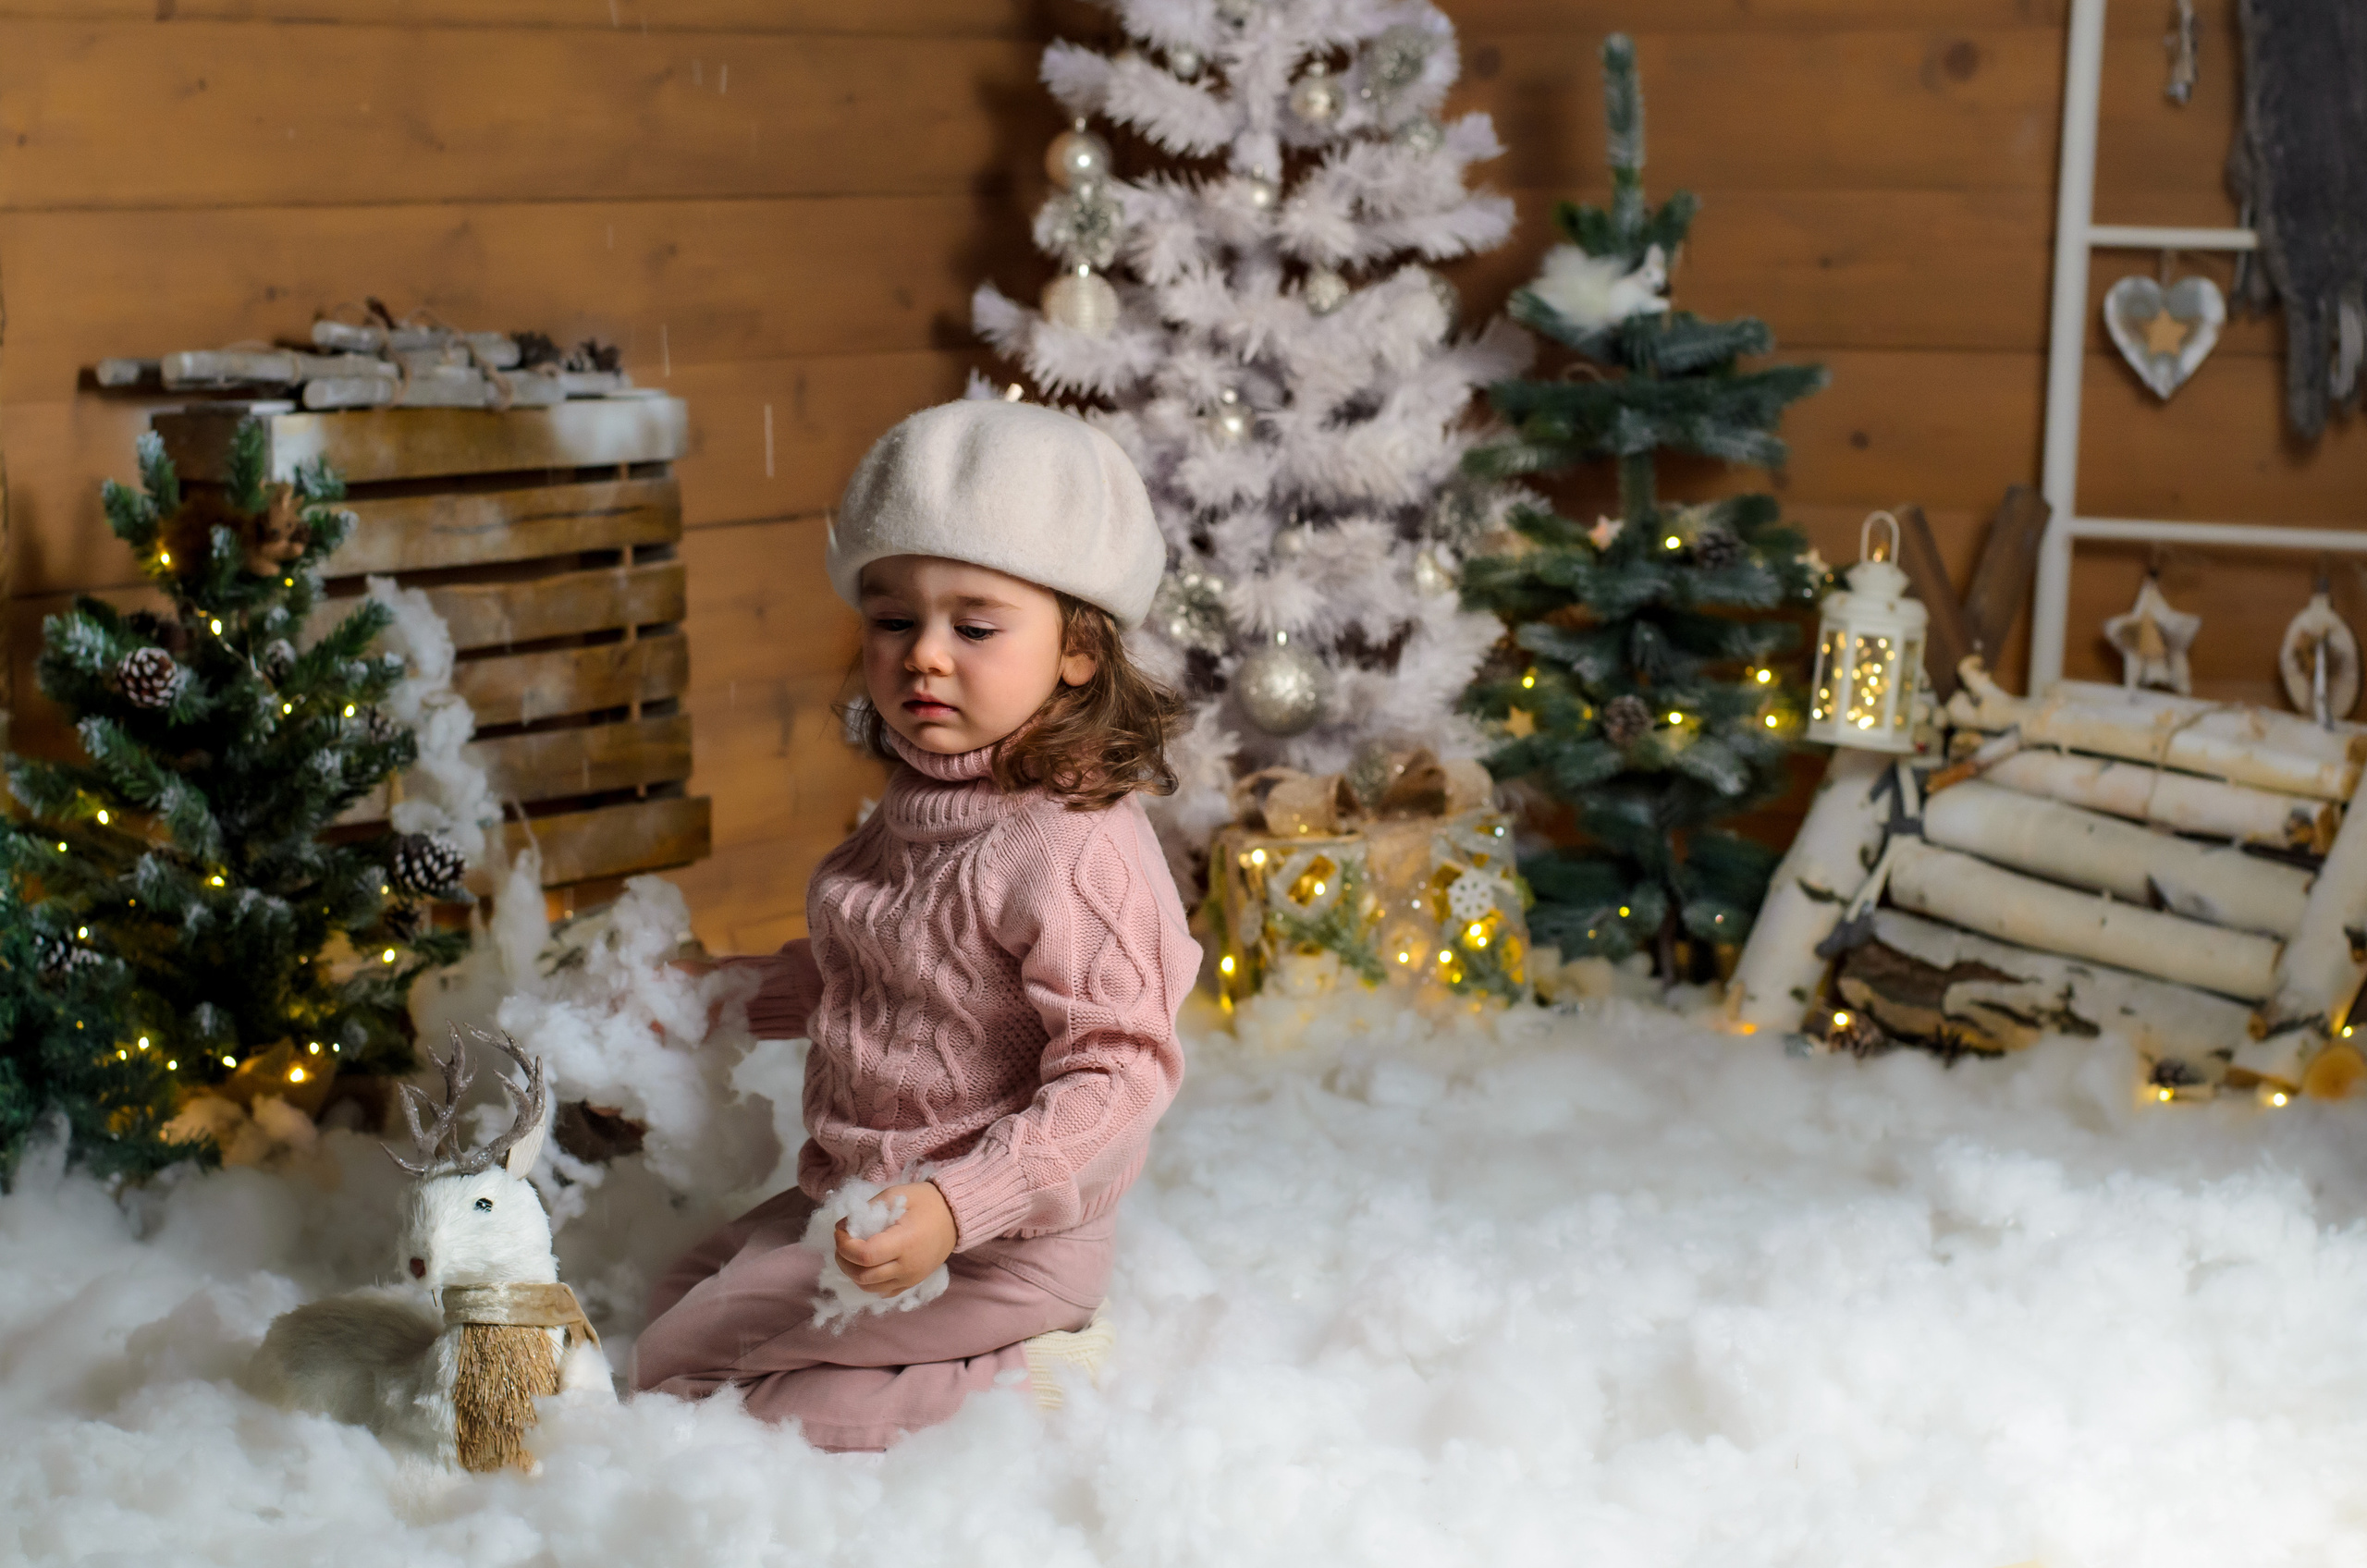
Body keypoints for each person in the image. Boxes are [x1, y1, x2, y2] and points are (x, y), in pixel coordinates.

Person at [631, 398, 1202, 1452]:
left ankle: (1032, 1370)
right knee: (676, 1293)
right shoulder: (921, 804)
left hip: (1000, 1235)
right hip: (867, 1201)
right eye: (894, 621)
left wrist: (956, 1204)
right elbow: (884, 971)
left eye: (974, 627)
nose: (924, 657)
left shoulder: (1071, 847)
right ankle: (920, 1348)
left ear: (1079, 649)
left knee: (729, 1386)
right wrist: (707, 993)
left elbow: (1120, 1073)